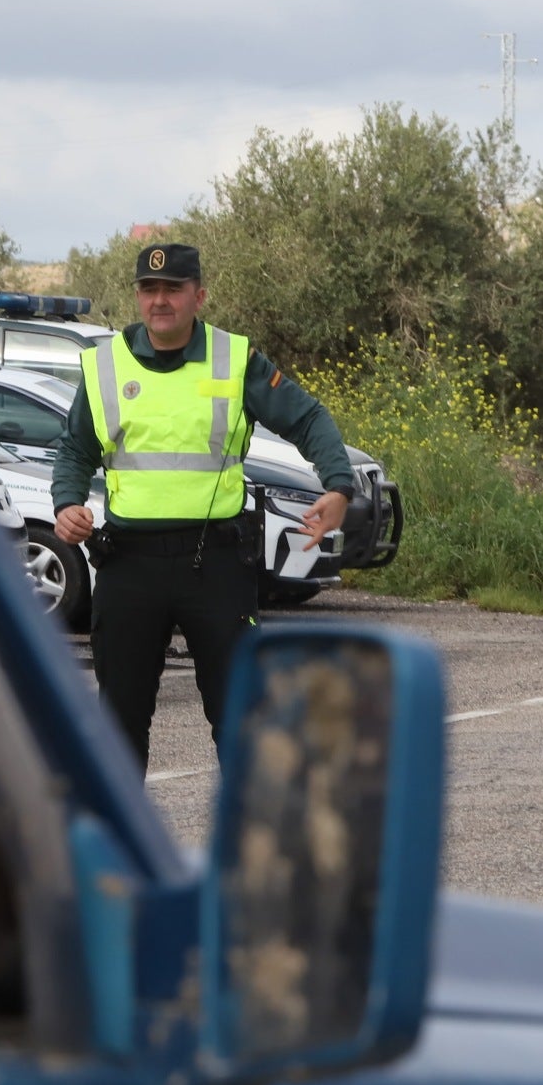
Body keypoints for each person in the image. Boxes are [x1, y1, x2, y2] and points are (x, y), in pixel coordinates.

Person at [50, 242, 355, 767]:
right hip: (129, 565)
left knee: (241, 719)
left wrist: (338, 485)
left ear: (199, 296)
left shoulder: (236, 359)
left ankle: (251, 821)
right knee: (119, 724)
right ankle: (124, 824)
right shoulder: (103, 366)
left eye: (173, 289)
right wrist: (66, 503)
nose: (160, 300)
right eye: (149, 289)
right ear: (138, 296)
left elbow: (307, 418)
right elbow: (76, 448)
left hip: (215, 563)